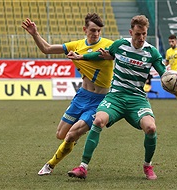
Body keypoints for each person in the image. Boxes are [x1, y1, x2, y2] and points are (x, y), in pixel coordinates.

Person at [66, 15, 167, 180]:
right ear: (131, 32)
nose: (141, 38)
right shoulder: (120, 45)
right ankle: (82, 167)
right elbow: (102, 54)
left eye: (144, 34)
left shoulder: (151, 52)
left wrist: (173, 79)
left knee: (151, 128)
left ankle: (147, 166)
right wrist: (81, 57)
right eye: (137, 34)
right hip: (115, 97)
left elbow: (164, 74)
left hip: (137, 99)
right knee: (98, 121)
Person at [21, 13, 114, 175]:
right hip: (82, 96)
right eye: (93, 30)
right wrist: (35, 34)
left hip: (100, 100)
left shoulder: (108, 45)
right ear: (85, 29)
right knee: (61, 134)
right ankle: (74, 137)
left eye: (99, 30)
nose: (96, 34)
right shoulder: (76, 45)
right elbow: (47, 49)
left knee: (71, 134)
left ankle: (50, 165)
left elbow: (112, 55)